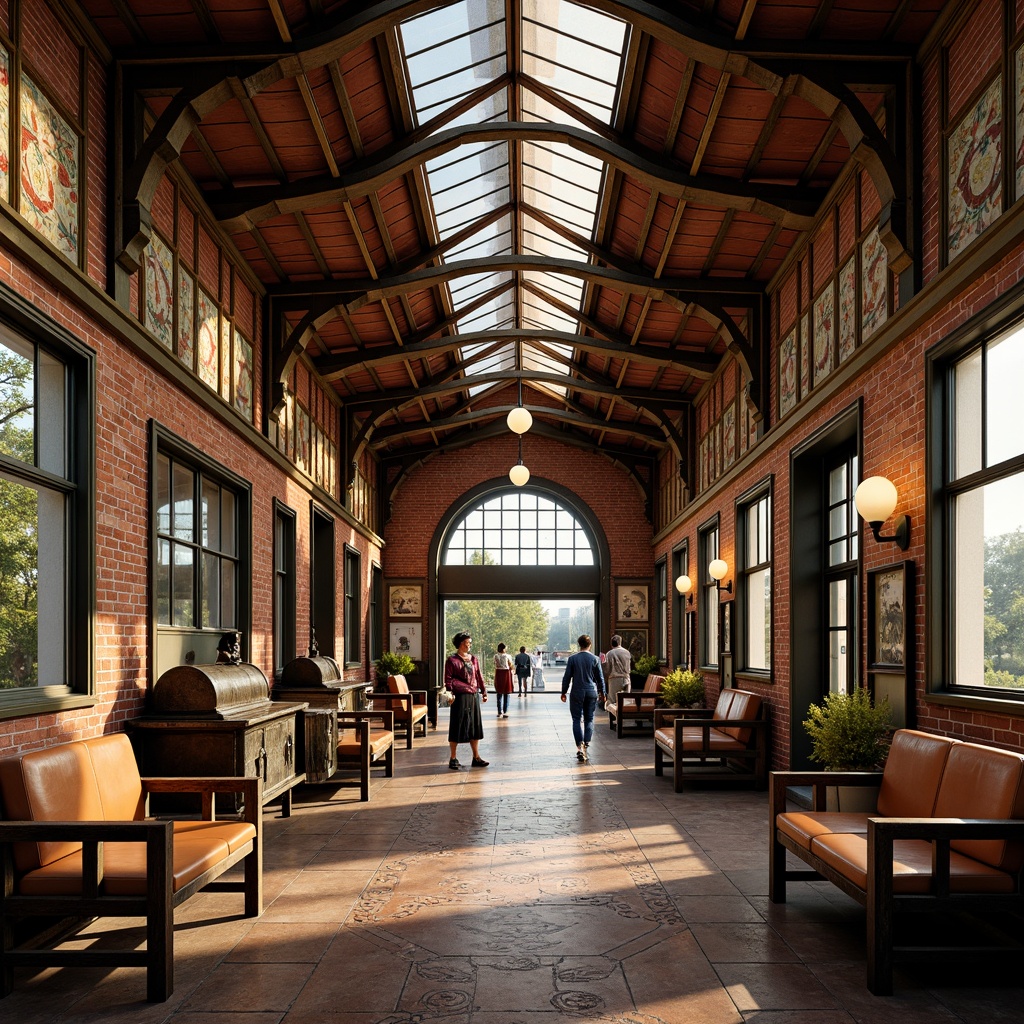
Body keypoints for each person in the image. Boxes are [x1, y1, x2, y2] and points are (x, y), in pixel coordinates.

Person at [443, 632, 489, 770]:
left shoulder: (473, 659)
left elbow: (479, 675)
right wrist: (450, 694)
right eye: (467, 642)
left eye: (470, 642)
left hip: (473, 696)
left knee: (474, 727)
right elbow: (448, 679)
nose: (469, 644)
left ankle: (476, 757)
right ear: (460, 643)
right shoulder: (451, 660)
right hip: (459, 697)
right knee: (457, 726)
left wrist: (484, 691)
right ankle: (453, 758)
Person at [560, 634, 605, 763]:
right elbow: (600, 678)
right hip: (591, 692)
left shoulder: (573, 659)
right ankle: (586, 745)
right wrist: (603, 693)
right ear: (590, 645)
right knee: (589, 719)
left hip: (577, 692)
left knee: (576, 719)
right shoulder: (595, 659)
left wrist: (563, 692)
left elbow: (567, 677)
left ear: (579, 644)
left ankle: (579, 747)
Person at [604, 634, 632, 707]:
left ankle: (613, 717)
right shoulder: (627, 652)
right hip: (626, 678)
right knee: (625, 701)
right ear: (620, 642)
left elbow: (607, 669)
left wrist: (605, 678)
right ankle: (624, 716)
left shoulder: (609, 654)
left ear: (611, 643)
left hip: (614, 679)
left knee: (613, 701)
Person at [493, 643, 514, 718]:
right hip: (506, 674)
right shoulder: (508, 656)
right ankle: (505, 711)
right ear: (504, 649)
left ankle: (499, 711)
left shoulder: (495, 656)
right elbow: (511, 665)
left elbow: (494, 664)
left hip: (498, 673)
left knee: (499, 693)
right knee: (506, 693)